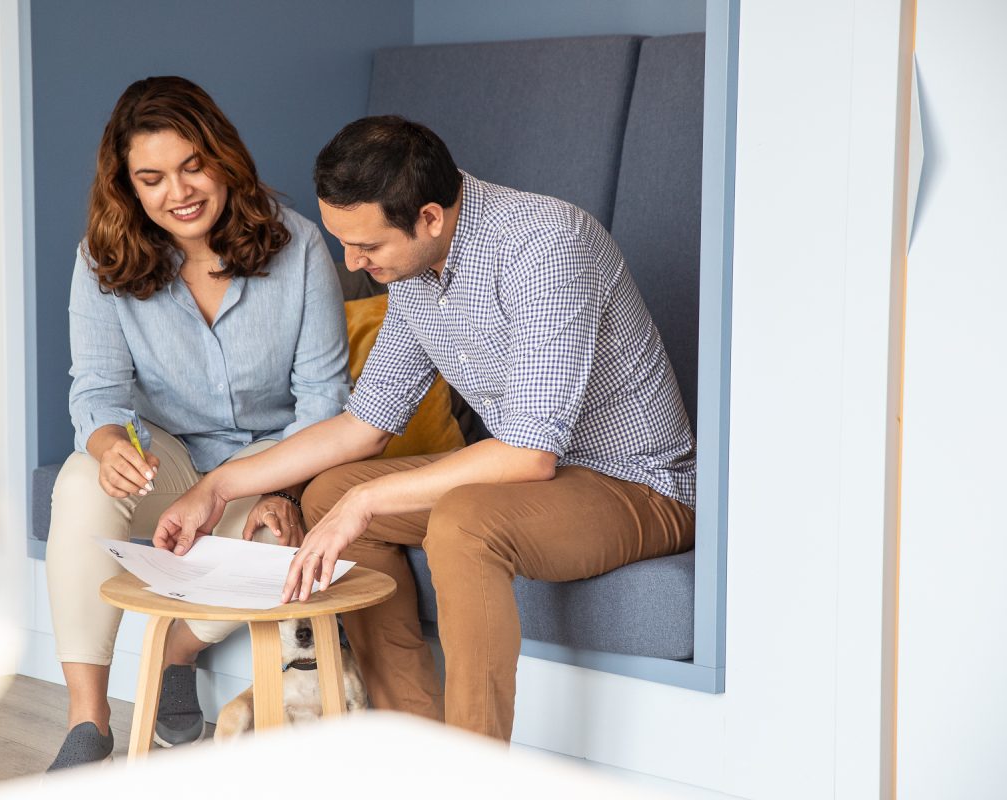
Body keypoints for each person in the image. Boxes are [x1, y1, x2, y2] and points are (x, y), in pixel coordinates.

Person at [152, 116, 696, 742]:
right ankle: (412, 744)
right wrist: (219, 487)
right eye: (344, 243)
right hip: (537, 481)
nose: (351, 263)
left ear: (430, 217)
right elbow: (365, 424)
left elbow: (528, 453)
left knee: (463, 520)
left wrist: (368, 500)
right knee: (330, 492)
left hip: (637, 485)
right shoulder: (413, 267)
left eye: (368, 248)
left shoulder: (547, 246)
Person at [45, 76, 350, 769]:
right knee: (80, 482)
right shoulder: (102, 262)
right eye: (151, 178)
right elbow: (97, 393)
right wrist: (107, 448)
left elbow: (325, 404)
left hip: (274, 456)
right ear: (128, 187)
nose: (178, 192)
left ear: (223, 158)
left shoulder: (298, 246)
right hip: (167, 456)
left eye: (192, 166)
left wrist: (287, 488)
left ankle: (175, 655)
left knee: (281, 539)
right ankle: (87, 726)